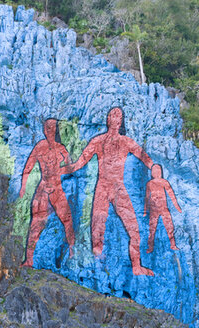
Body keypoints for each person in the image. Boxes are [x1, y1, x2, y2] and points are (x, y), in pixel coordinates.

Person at [65, 107, 155, 275]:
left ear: (121, 121)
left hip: (119, 188)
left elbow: (143, 156)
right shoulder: (98, 141)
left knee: (134, 229)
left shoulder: (126, 141)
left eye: (118, 115)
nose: (115, 117)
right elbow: (81, 162)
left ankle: (136, 266)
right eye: (112, 114)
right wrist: (63, 170)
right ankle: (96, 262)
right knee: (97, 227)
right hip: (103, 187)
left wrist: (155, 168)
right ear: (107, 119)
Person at [20, 118, 75, 267]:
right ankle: (29, 259)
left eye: (52, 127)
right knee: (36, 223)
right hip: (43, 188)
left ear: (56, 129)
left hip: (57, 188)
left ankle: (72, 252)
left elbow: (70, 167)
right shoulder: (40, 146)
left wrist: (60, 170)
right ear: (44, 130)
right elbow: (28, 166)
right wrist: (23, 187)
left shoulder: (61, 148)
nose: (49, 129)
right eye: (47, 127)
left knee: (67, 219)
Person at [144, 164, 182, 253]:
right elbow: (147, 198)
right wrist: (145, 210)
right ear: (152, 172)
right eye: (155, 170)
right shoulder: (149, 183)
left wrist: (177, 207)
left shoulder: (164, 182)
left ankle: (173, 245)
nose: (157, 172)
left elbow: (171, 194)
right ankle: (150, 247)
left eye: (158, 170)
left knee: (169, 227)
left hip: (164, 208)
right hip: (154, 209)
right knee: (152, 229)